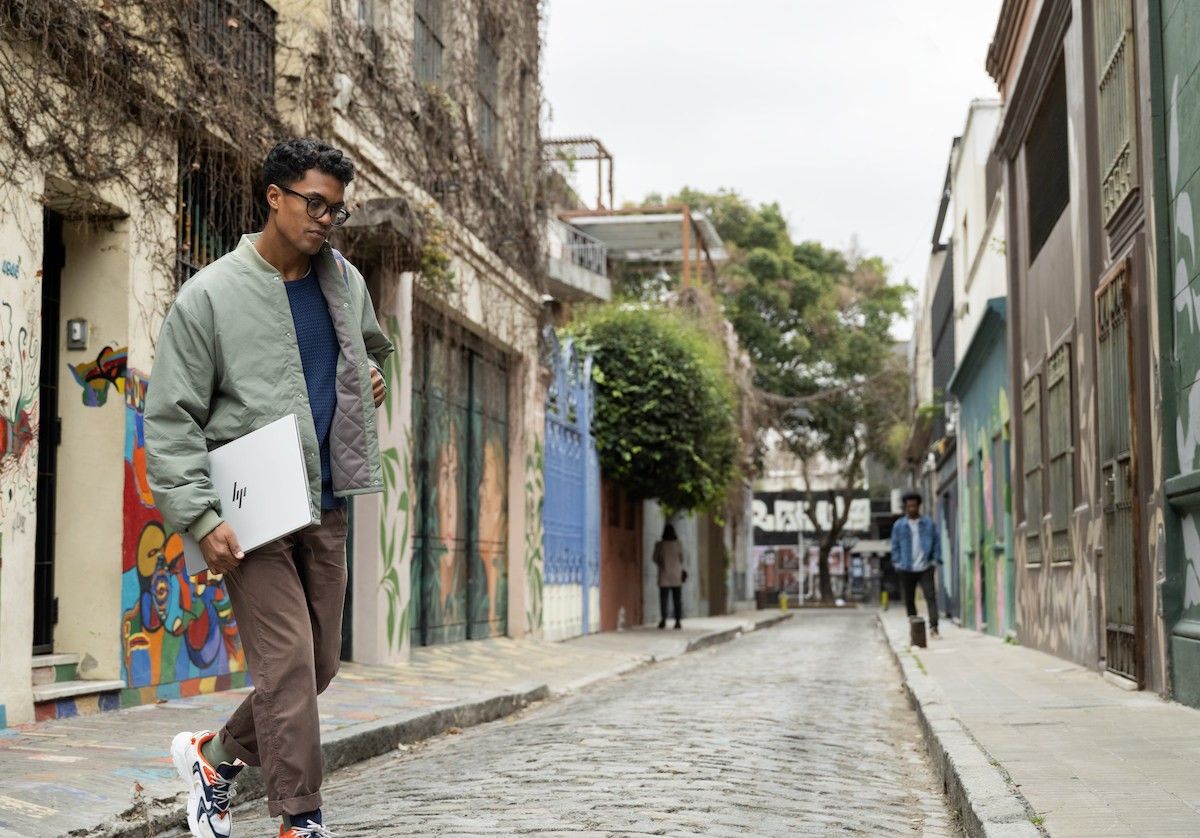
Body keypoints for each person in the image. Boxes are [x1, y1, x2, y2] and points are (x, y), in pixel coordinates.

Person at [145, 138, 394, 838]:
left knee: (317, 666)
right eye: (314, 203)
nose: (325, 219)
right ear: (274, 197)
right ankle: (301, 819)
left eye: (336, 209)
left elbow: (373, 349)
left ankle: (213, 760)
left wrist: (373, 376)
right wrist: (199, 518)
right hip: (250, 511)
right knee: (286, 667)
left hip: (326, 501)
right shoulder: (211, 295)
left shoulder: (344, 281)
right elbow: (170, 417)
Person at [890, 490, 942, 638]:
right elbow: (894, 545)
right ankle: (915, 629)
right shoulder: (899, 526)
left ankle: (934, 627)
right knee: (909, 599)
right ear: (905, 507)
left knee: (930, 596)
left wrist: (934, 560)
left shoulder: (928, 524)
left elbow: (936, 543)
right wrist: (897, 563)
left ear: (919, 506)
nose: (912, 509)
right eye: (909, 506)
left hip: (925, 566)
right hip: (906, 567)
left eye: (914, 506)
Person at [652, 523, 685, 629]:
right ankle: (678, 621)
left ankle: (663, 620)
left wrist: (662, 563)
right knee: (677, 599)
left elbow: (654, 558)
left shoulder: (659, 545)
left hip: (664, 574)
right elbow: (682, 558)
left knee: (663, 599)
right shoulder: (678, 544)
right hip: (676, 575)